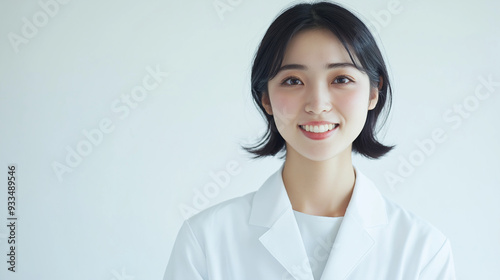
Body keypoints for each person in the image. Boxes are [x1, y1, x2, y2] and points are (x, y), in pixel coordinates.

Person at [164, 1, 456, 279]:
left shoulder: (423, 250)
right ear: (265, 97)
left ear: (372, 92)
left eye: (340, 79)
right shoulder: (205, 240)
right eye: (292, 81)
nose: (318, 104)